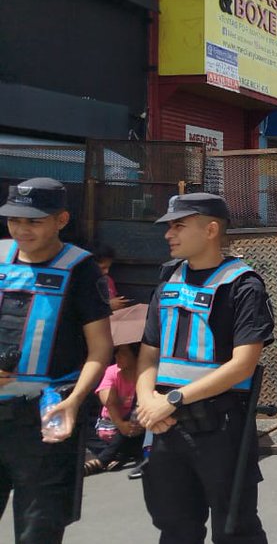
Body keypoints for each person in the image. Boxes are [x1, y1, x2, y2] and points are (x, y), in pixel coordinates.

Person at [136, 192, 274, 543]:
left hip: (220, 429)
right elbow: (148, 354)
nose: (169, 234)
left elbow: (243, 364)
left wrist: (173, 400)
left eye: (179, 226)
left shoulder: (243, 285)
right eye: (168, 227)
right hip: (165, 427)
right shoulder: (168, 279)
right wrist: (148, 401)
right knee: (175, 529)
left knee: (235, 529)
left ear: (211, 229)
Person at [0, 178, 113, 543]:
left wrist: (75, 401)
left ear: (61, 220)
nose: (21, 228)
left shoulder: (81, 269)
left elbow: (100, 349)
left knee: (39, 531)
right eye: (14, 219)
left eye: (34, 221)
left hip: (45, 419)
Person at [85, 342, 144, 474]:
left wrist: (126, 425)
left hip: (137, 424)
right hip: (112, 423)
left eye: (123, 353)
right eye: (116, 352)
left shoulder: (145, 375)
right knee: (84, 433)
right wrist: (120, 424)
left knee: (136, 414)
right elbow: (108, 401)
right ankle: (119, 455)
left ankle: (103, 460)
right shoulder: (112, 371)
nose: (117, 356)